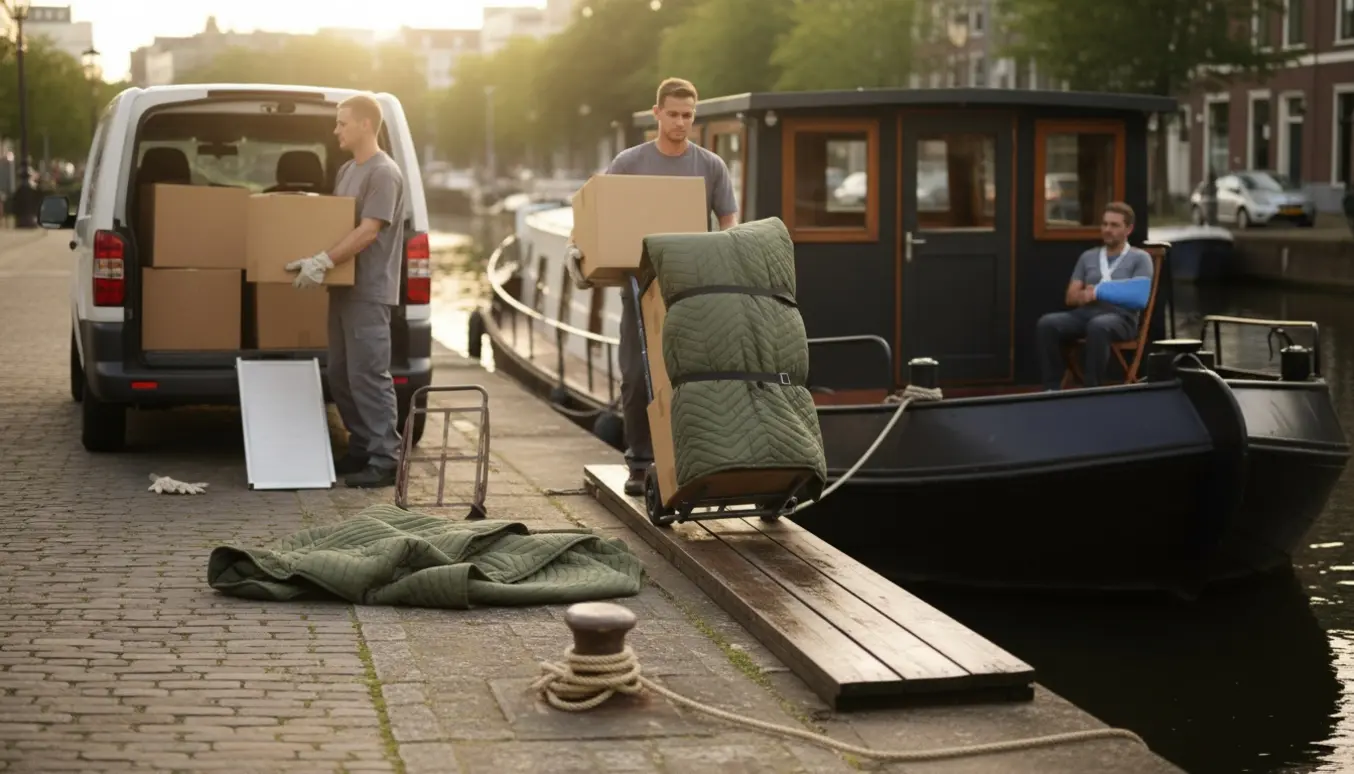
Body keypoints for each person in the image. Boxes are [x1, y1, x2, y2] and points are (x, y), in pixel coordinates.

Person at [565, 77, 740, 495]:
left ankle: (686, 461)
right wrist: (578, 250)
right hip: (639, 288)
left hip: (691, 290)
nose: (681, 122)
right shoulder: (629, 162)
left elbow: (730, 222)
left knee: (688, 377)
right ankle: (640, 464)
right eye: (674, 114)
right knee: (637, 377)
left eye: (688, 116)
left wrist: (726, 254)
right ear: (658, 113)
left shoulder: (711, 166)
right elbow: (599, 218)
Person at [286, 93, 406, 488]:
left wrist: (322, 262)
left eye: (342, 122)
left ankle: (386, 458)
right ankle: (361, 447)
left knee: (368, 374)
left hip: (368, 292)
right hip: (342, 289)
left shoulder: (383, 173)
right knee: (341, 374)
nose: (335, 129)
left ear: (366, 125)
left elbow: (368, 231)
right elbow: (335, 223)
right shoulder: (346, 171)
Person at [1036, 201, 1154, 391]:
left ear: (1129, 229)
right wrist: (1083, 296)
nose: (1107, 229)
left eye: (1114, 225)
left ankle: (1093, 389)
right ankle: (1052, 388)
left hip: (1121, 319)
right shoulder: (1088, 257)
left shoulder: (1140, 258)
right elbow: (1070, 297)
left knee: (1098, 326)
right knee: (1047, 324)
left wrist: (1099, 291)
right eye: (1105, 224)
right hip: (1085, 314)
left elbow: (1139, 298)